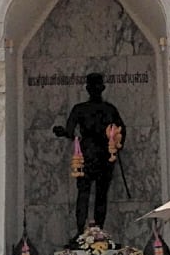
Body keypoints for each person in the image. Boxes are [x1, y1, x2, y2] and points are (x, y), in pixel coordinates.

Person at [53, 73, 126, 236]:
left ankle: (98, 232)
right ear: (87, 89)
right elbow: (71, 132)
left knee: (99, 195)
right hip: (86, 156)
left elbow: (121, 131)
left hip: (104, 157)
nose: (94, 90)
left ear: (102, 88)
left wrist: (116, 145)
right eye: (92, 87)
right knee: (85, 194)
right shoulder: (80, 109)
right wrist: (62, 132)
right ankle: (81, 233)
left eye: (97, 87)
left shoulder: (110, 109)